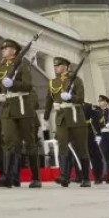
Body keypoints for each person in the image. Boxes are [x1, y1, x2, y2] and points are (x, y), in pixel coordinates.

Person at [0, 39, 35, 188]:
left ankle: (36, 178)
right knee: (9, 141)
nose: (3, 50)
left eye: (6, 48)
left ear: (14, 51)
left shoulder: (23, 65)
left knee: (29, 142)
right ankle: (9, 177)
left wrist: (14, 84)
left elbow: (28, 86)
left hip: (22, 107)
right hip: (6, 109)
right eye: (2, 48)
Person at [44, 57, 90, 187]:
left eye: (58, 66)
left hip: (76, 117)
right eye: (55, 66)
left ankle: (86, 178)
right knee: (63, 148)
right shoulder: (53, 82)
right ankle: (64, 177)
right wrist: (46, 117)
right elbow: (49, 100)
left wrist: (71, 97)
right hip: (61, 118)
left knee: (81, 148)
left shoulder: (76, 80)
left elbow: (81, 99)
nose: (56, 68)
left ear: (65, 66)